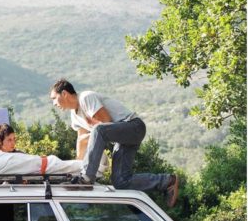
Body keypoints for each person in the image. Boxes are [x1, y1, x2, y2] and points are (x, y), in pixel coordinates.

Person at [49, 78, 179, 207]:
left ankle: (87, 178)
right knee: (121, 182)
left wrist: (85, 176)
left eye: (54, 98)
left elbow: (106, 122)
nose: (54, 103)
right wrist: (77, 169)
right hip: (121, 138)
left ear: (64, 94)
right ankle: (167, 181)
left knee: (98, 130)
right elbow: (82, 142)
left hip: (134, 127)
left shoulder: (86, 98)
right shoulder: (74, 116)